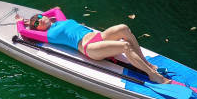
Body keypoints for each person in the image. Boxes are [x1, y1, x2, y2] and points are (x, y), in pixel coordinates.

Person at [16, 7, 170, 84]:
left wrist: (34, 19)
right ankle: (153, 75)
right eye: (37, 23)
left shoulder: (61, 20)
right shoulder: (47, 35)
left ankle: (146, 62)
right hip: (88, 47)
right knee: (125, 46)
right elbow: (24, 32)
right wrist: (20, 22)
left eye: (41, 17)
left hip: (98, 36)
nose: (40, 21)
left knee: (123, 28)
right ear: (38, 29)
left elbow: (56, 9)